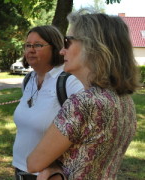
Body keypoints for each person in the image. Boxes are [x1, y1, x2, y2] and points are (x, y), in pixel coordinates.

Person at [27, 10, 140, 179]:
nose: (62, 51)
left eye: (67, 42)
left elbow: (33, 163)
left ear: (92, 47)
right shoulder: (125, 102)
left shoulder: (83, 103)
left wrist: (52, 168)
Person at [12, 25, 84, 180]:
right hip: (19, 170)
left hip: (47, 175)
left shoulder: (68, 82)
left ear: (55, 48)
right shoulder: (28, 80)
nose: (30, 50)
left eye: (38, 45)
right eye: (28, 45)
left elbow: (84, 130)